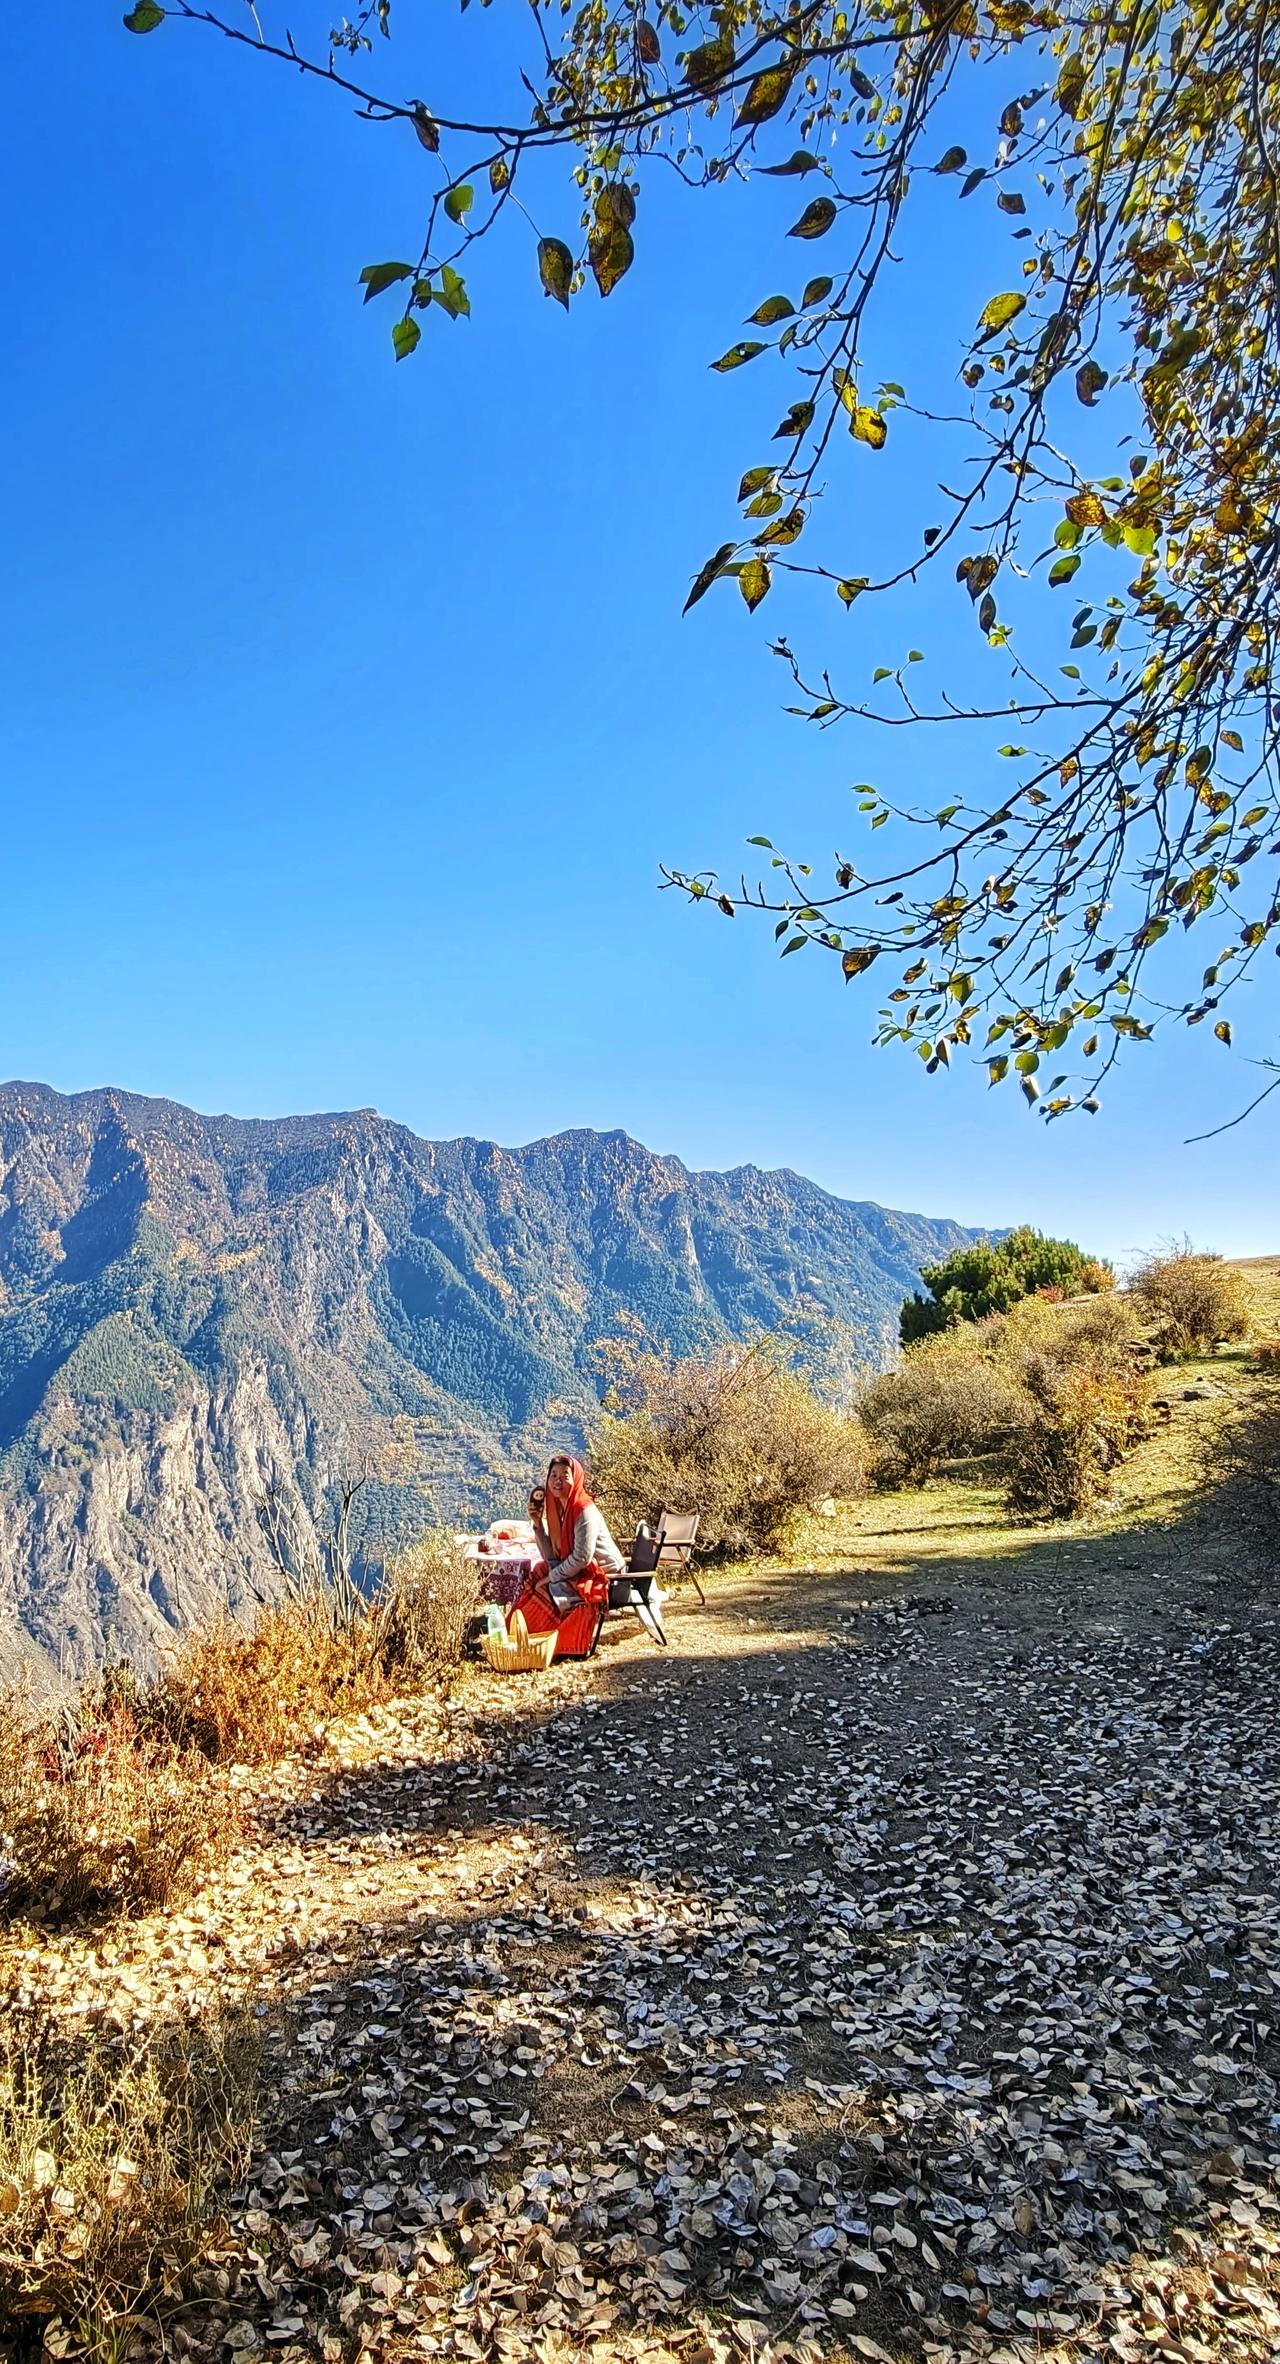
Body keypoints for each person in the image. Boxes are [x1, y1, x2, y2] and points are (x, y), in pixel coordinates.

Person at [517, 1454, 624, 1659]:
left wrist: (552, 1577)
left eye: (564, 1475)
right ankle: (520, 1635)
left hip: (605, 1573)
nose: (557, 1480)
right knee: (539, 1571)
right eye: (553, 1475)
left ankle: (552, 1642)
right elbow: (551, 1558)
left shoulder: (584, 1510)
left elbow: (582, 1558)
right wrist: (538, 1524)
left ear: (576, 1478)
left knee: (547, 1585)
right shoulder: (561, 1510)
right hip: (582, 1568)